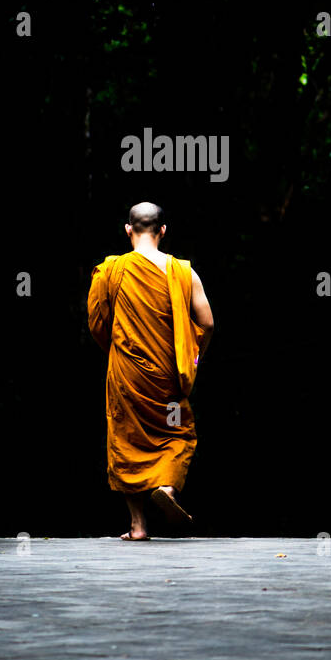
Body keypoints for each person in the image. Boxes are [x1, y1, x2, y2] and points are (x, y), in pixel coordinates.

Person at [88, 202, 214, 540]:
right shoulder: (183, 272)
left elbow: (97, 322)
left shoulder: (111, 270)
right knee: (176, 433)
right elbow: (208, 322)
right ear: (163, 230)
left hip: (128, 377)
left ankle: (138, 525)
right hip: (168, 380)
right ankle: (168, 488)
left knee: (127, 439)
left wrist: (120, 349)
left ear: (128, 230)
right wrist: (191, 357)